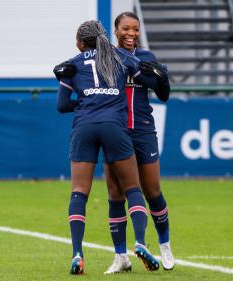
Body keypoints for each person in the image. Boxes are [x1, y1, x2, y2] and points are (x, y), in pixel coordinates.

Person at [54, 20, 161, 274]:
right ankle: (140, 242)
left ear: (81, 42)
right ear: (103, 37)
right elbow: (146, 77)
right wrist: (158, 75)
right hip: (115, 126)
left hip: (84, 127)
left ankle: (77, 254)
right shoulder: (120, 56)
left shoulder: (72, 64)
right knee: (132, 188)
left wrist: (84, 103)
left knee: (79, 191)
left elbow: (61, 105)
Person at [103, 11, 174, 274]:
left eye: (135, 29)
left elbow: (163, 94)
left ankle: (164, 243)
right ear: (116, 30)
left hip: (143, 130)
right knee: (115, 194)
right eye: (126, 29)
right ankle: (121, 256)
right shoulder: (107, 58)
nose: (131, 34)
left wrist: (161, 77)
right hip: (116, 131)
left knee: (152, 190)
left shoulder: (147, 57)